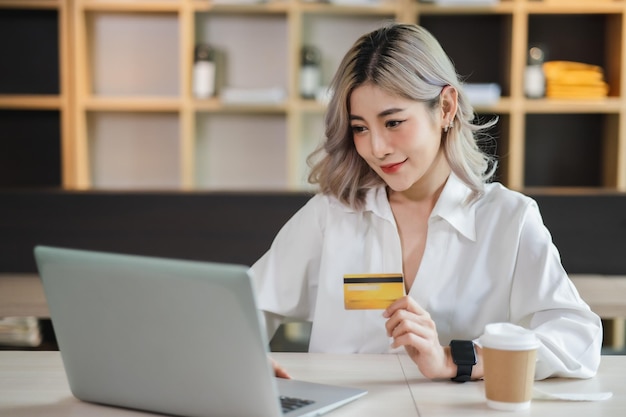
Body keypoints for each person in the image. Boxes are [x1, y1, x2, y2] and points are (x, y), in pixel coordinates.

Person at [251, 23, 602, 382]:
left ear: (446, 108)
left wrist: (459, 359)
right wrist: (244, 358)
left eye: (393, 122)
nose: (377, 148)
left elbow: (577, 337)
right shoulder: (331, 215)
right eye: (360, 128)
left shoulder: (508, 219)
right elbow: (246, 306)